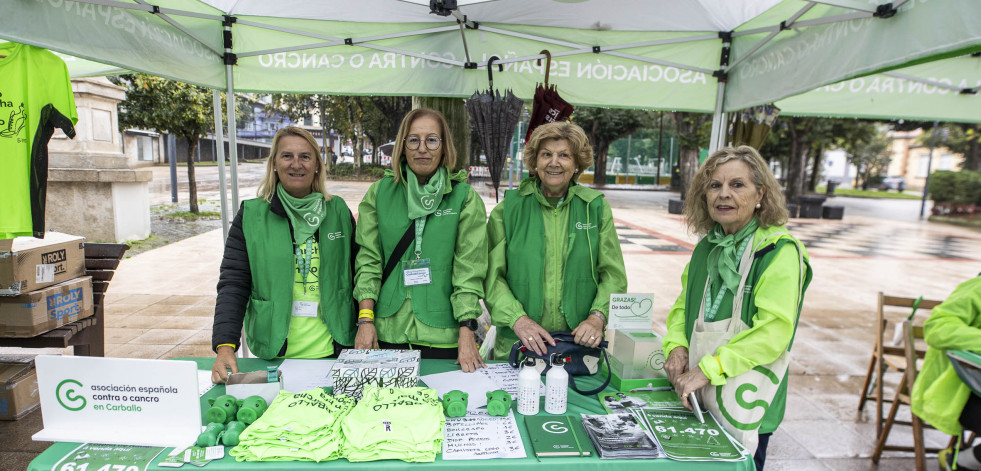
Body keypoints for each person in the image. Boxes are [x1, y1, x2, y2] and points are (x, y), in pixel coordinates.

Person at [662, 145, 813, 470]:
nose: (723, 194)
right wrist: (676, 345)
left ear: (761, 193)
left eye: (737, 185)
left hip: (745, 401)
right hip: (700, 397)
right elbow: (682, 306)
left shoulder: (778, 251)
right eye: (714, 185)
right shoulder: (707, 247)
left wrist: (707, 369)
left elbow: (774, 333)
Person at [211, 126, 358, 383]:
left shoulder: (338, 212)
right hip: (274, 353)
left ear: (317, 165)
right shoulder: (252, 215)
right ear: (275, 164)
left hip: (334, 351)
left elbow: (359, 274)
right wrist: (225, 346)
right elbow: (234, 283)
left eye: (305, 156)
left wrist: (366, 323)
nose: (296, 164)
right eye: (287, 156)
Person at [353, 108, 488, 372]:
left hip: (444, 333)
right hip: (386, 330)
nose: (422, 149)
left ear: (444, 147)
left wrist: (466, 330)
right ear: (402, 147)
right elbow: (368, 261)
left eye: (432, 140)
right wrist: (365, 319)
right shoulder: (380, 193)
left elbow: (468, 271)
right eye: (413, 140)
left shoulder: (463, 198)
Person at [485, 121, 627, 359]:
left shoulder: (595, 207)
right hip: (519, 345)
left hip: (577, 347)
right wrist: (517, 319)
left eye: (564, 155)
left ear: (576, 163)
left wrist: (596, 318)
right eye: (546, 154)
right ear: (535, 161)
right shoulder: (508, 209)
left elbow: (613, 275)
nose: (554, 162)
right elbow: (491, 276)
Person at [910, 274, 981, 471]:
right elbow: (937, 327)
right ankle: (962, 462)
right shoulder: (977, 288)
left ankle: (969, 460)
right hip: (961, 393)